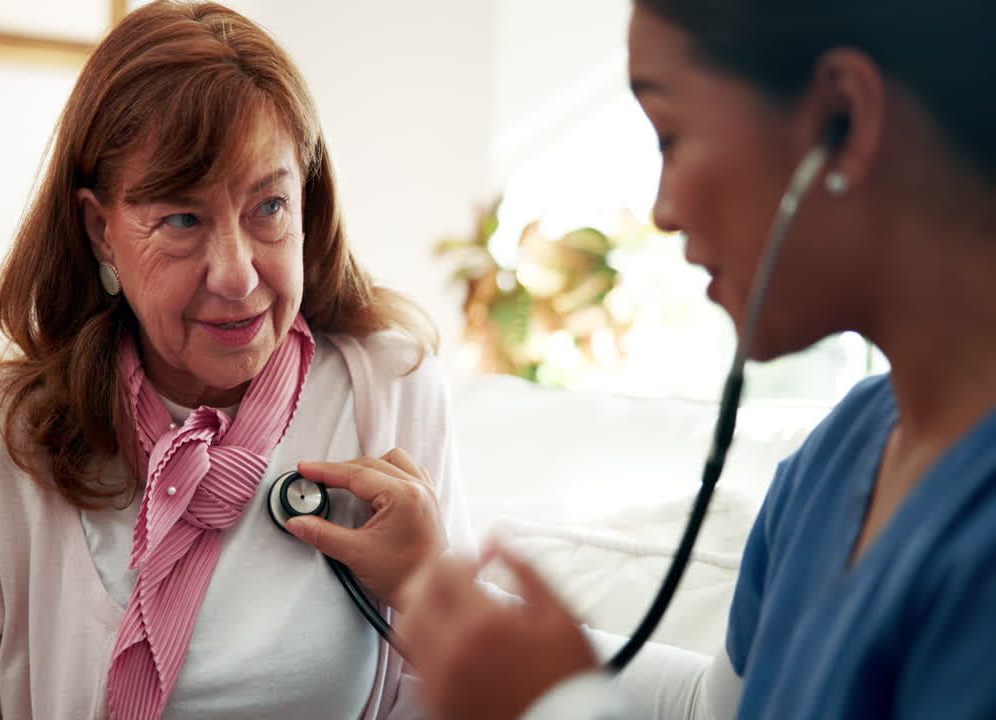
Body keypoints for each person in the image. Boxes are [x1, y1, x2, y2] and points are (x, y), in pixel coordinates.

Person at [303, 0, 996, 718]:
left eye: (669, 136)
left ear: (841, 120)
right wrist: (433, 588)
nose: (662, 211)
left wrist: (556, 710)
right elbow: (711, 708)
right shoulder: (842, 456)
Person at [0, 2, 471, 718]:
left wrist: (435, 594)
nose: (237, 274)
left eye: (269, 206)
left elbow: (450, 698)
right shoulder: (2, 443)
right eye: (182, 219)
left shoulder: (392, 392)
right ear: (101, 231)